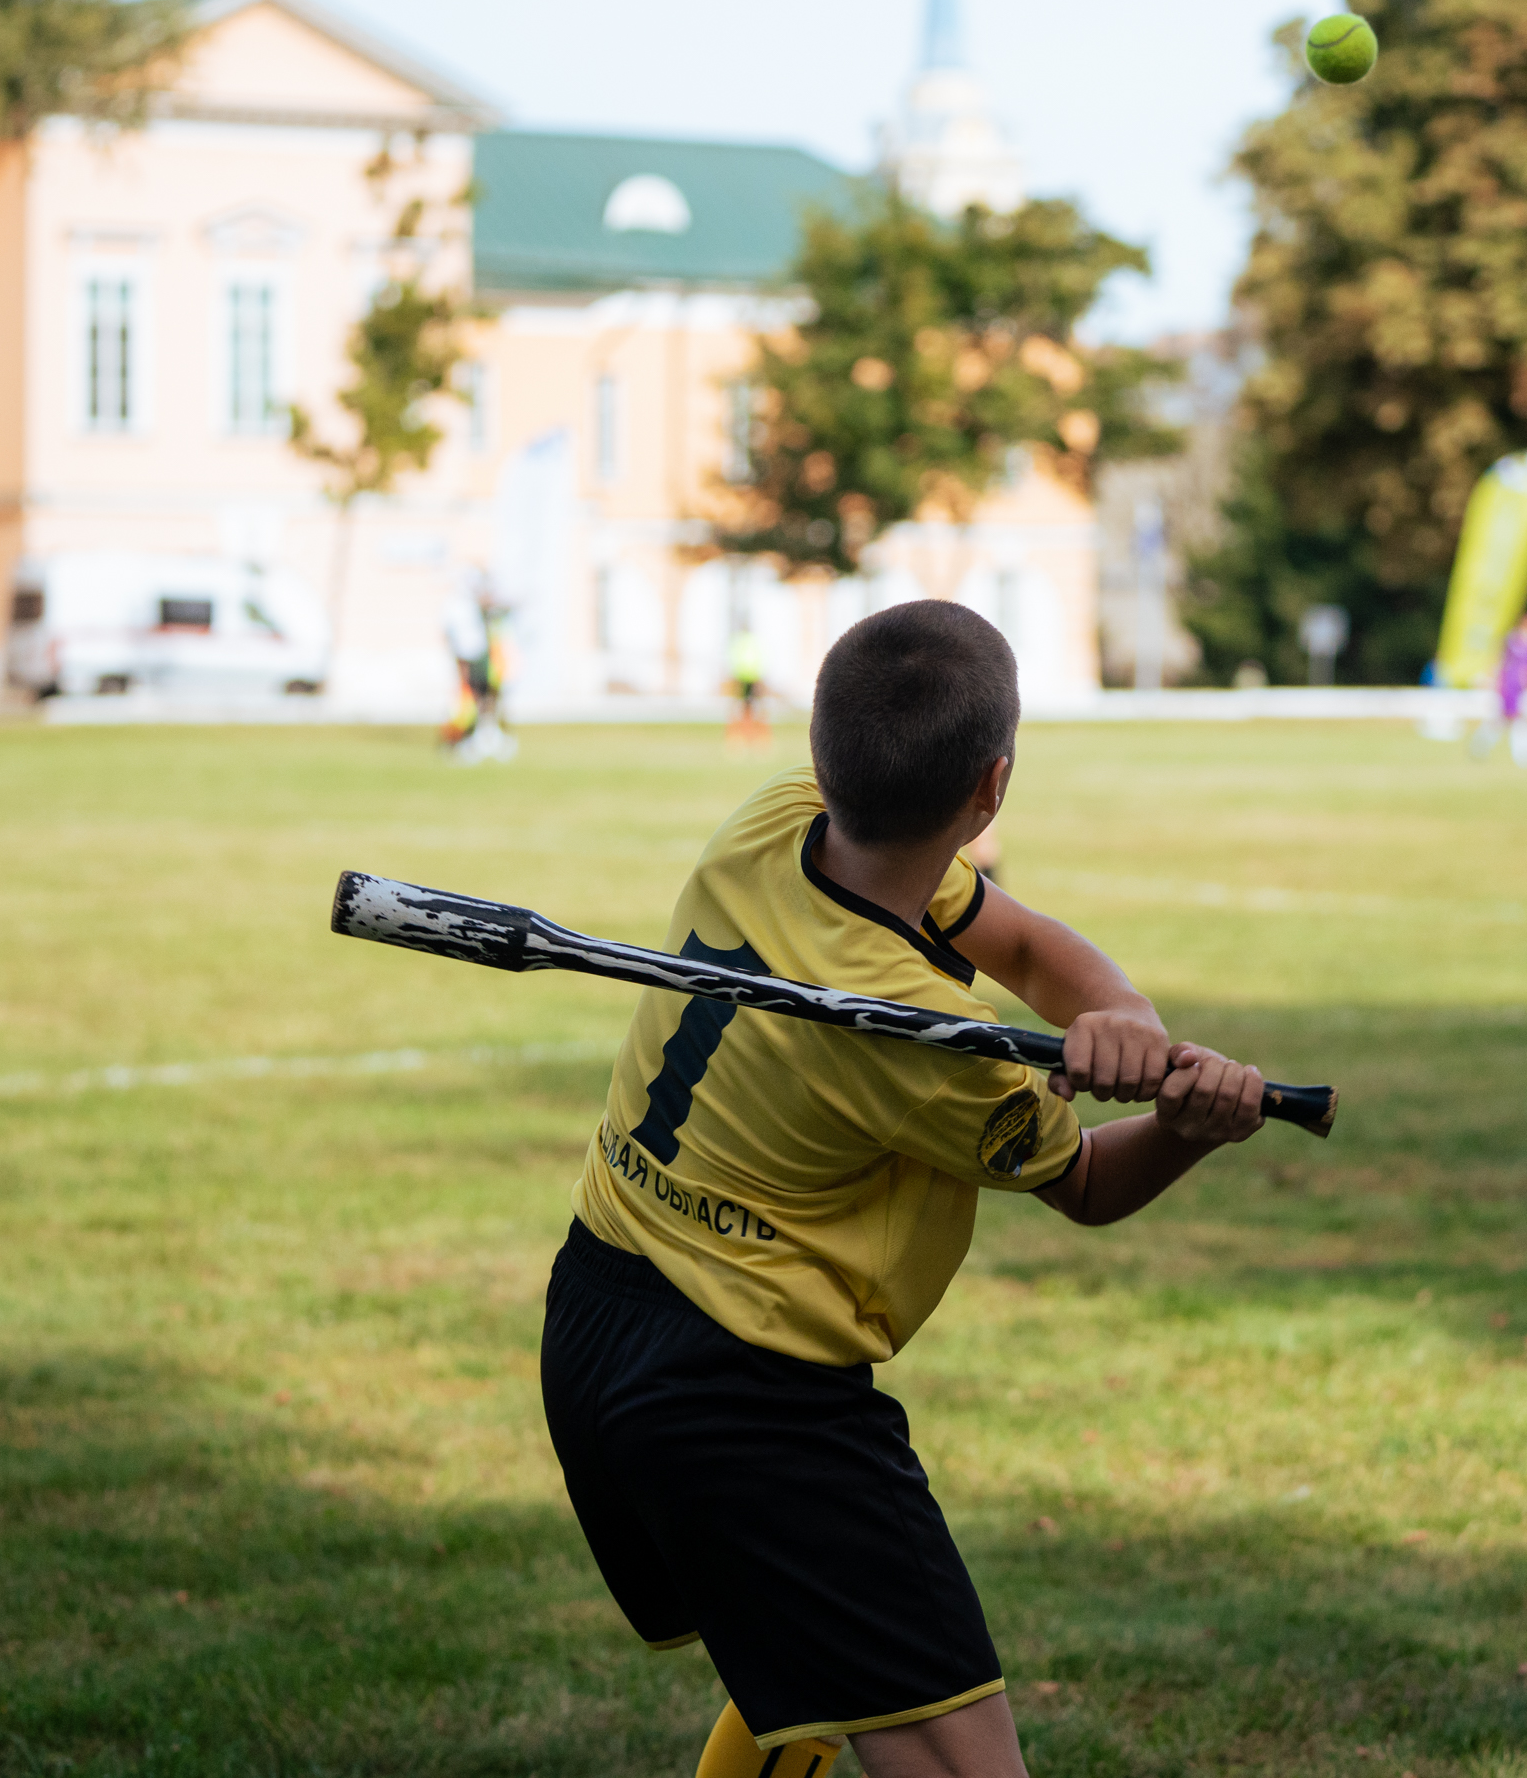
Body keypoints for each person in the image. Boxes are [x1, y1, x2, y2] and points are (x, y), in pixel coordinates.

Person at [541, 600, 1274, 1778]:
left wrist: (1123, 1016)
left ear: (823, 747)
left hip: (595, 1316)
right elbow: (1085, 1179)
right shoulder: (942, 1049)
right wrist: (1192, 1127)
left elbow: (1024, 941)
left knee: (808, 1665)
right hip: (748, 1395)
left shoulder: (776, 818)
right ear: (991, 789)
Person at [440, 570, 515, 764]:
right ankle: (458, 740)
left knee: (486, 698)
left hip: (480, 656)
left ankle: (484, 737)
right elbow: (452, 636)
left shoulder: (474, 605)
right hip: (467, 658)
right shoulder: (456, 605)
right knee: (466, 702)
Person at [1468, 609, 1527, 767]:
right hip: (1509, 687)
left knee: (1505, 721)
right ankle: (1524, 757)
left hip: (1518, 688)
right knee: (1515, 720)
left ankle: (1480, 747)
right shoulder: (1514, 641)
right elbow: (1501, 663)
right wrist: (1491, 680)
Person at [724, 622, 769, 752]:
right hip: (747, 678)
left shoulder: (740, 642)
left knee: (750, 710)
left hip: (747, 678)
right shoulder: (749, 642)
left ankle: (752, 739)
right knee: (747, 710)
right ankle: (742, 738)